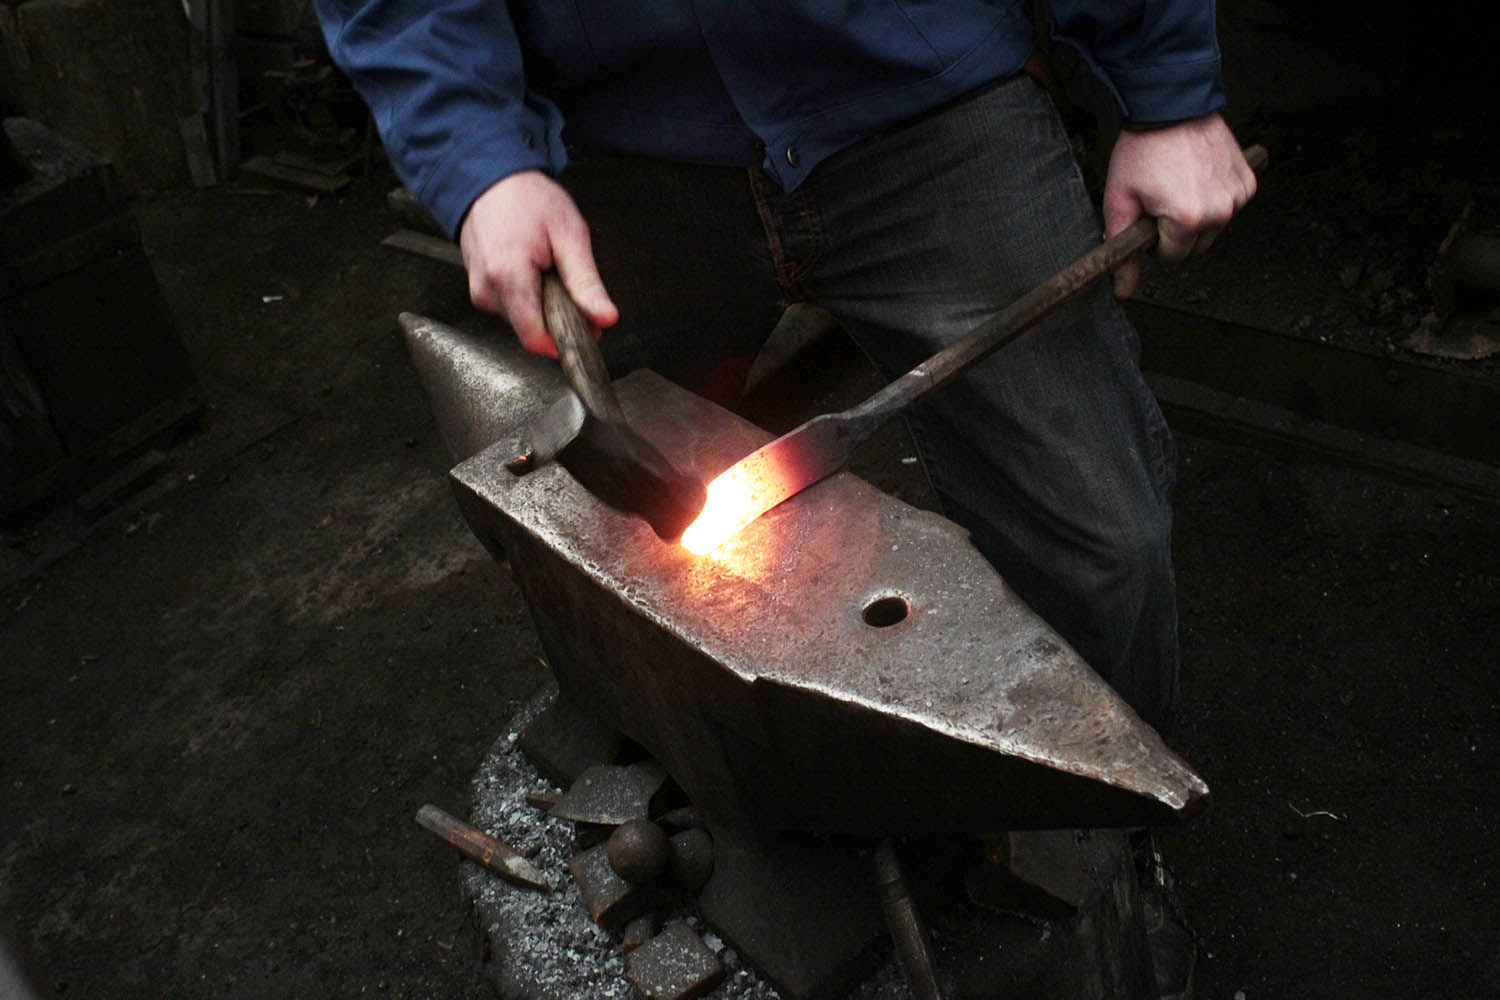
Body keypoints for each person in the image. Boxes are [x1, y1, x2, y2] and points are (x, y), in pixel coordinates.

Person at [316, 5, 1254, 994]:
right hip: (623, 142)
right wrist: (479, 160)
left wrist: (1169, 94)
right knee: (612, 544)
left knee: (1102, 544)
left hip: (923, 104)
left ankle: (1104, 853)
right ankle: (702, 765)